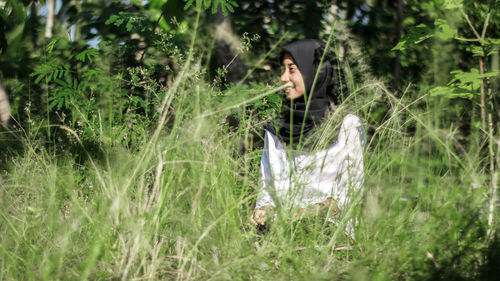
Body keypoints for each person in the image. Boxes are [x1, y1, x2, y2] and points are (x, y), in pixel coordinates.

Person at [249, 39, 366, 233]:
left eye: (292, 69)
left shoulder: (347, 125)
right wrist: (264, 211)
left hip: (330, 240)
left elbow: (349, 195)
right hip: (280, 237)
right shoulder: (276, 129)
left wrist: (303, 214)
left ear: (315, 73)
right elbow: (267, 192)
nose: (283, 77)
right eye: (283, 69)